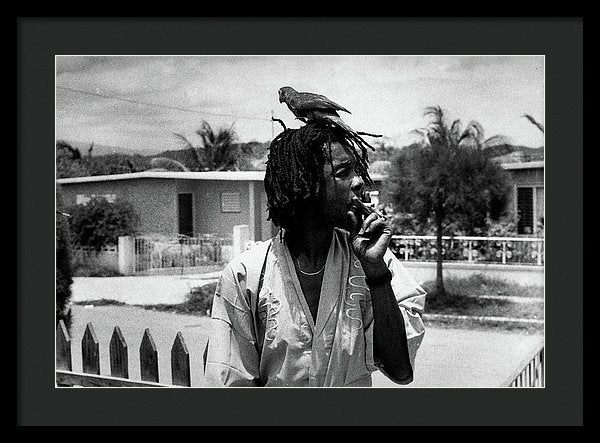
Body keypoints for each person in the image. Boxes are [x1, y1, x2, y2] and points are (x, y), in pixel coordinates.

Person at [204, 121, 426, 387]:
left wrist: (377, 275)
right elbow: (230, 385)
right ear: (306, 183)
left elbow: (401, 371)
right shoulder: (247, 275)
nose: (359, 182)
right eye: (344, 172)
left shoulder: (373, 260)